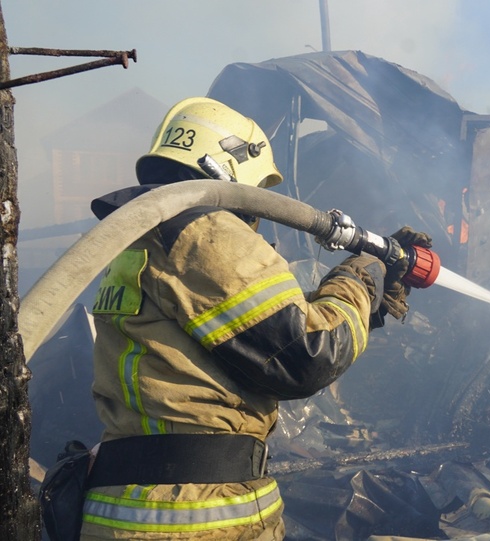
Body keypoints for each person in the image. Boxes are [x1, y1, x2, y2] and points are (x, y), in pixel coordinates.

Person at [77, 97, 430, 539]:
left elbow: (248, 335)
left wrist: (366, 298)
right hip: (197, 514)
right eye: (259, 185)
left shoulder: (143, 236)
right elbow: (304, 353)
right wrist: (360, 278)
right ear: (228, 166)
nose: (260, 206)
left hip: (140, 507)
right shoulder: (204, 231)